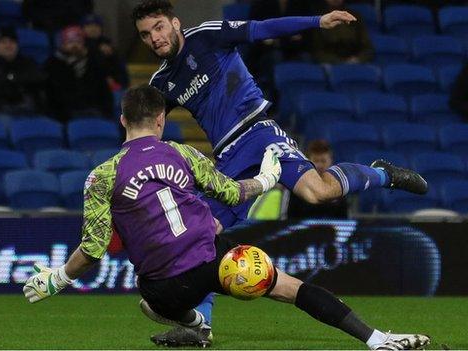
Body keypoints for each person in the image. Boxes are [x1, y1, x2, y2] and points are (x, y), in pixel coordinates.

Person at [23, 85, 431, 351]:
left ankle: (195, 325)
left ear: (123, 120)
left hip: (163, 288)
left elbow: (93, 249)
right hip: (213, 260)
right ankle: (377, 339)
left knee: (150, 303)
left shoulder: (102, 176)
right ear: (162, 120)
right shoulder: (184, 154)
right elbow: (233, 192)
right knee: (289, 287)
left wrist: (57, 278)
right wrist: (269, 177)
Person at [132, 0, 428, 345]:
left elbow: (263, 29)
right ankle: (200, 329)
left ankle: (380, 173)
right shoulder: (162, 82)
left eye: (159, 27)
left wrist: (319, 20)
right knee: (203, 238)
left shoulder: (208, 37)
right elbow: (146, 127)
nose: (154, 38)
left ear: (175, 23)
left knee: (318, 192)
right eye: (145, 34)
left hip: (260, 132)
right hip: (229, 157)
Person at [44, 25, 114, 122]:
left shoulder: (93, 62)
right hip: (65, 115)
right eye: (70, 42)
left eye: (78, 42)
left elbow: (104, 91)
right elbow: (52, 96)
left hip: (95, 111)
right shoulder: (53, 64)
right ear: (62, 44)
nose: (74, 45)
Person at [0, 26, 46, 116]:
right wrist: (18, 82)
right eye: (3, 42)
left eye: (12, 41)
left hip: (29, 109)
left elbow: (38, 79)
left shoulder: (28, 62)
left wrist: (12, 78)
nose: (8, 45)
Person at [287, 140, 348, 219]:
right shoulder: (299, 184)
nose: (320, 165)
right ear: (308, 161)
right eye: (316, 161)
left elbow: (344, 220)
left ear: (331, 161)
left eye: (323, 161)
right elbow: (291, 218)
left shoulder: (339, 186)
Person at [309, 0, 373, 64]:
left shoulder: (355, 17)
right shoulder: (319, 19)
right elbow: (317, 50)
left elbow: (367, 48)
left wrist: (357, 59)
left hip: (355, 62)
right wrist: (339, 62)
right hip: (330, 63)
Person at [81, 14, 131, 91]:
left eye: (96, 26)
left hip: (112, 89)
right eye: (89, 26)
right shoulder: (80, 45)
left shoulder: (108, 45)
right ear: (83, 29)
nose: (93, 29)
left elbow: (119, 69)